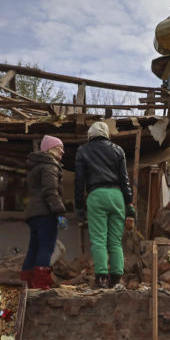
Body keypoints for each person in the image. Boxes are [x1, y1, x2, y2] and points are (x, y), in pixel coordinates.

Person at [74, 121, 135, 288]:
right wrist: (129, 202)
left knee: (99, 240)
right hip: (117, 196)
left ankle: (101, 279)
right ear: (106, 133)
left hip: (97, 195)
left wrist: (79, 206)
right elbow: (124, 179)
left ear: (90, 134)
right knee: (115, 242)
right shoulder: (118, 150)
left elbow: (79, 181)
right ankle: (116, 280)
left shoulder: (83, 150)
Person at [22, 135, 67, 290]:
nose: (63, 151)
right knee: (46, 248)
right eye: (60, 147)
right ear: (50, 149)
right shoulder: (50, 165)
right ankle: (41, 285)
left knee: (33, 248)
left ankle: (26, 285)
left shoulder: (36, 166)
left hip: (33, 213)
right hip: (46, 212)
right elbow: (50, 191)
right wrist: (60, 212)